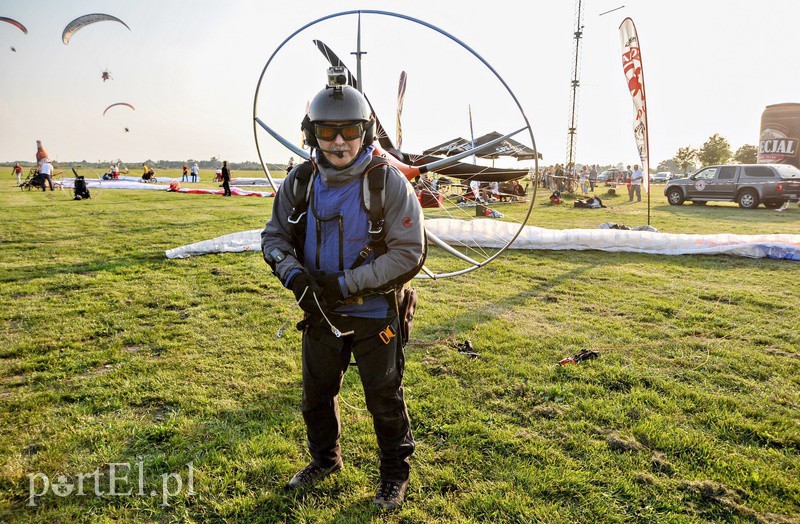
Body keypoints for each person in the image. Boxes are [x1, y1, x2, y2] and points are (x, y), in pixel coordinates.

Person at [261, 80, 425, 511]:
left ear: (366, 132)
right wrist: (297, 279)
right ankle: (324, 461)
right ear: (310, 133)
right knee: (315, 396)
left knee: (384, 399)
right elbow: (274, 237)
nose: (338, 142)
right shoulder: (300, 182)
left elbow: (410, 253)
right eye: (326, 131)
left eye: (349, 131)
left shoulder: (386, 183)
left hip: (375, 313)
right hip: (319, 314)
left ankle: (393, 476)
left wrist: (344, 285)